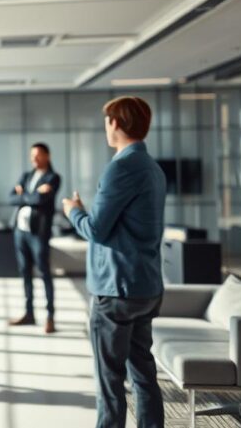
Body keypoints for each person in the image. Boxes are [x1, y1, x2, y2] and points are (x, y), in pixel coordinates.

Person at [62, 96, 165, 428]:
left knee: (110, 381)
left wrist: (72, 211)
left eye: (107, 121)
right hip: (146, 286)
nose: (105, 127)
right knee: (144, 376)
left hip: (117, 289)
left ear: (116, 123)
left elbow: (95, 229)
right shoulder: (153, 167)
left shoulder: (120, 167)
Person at [8, 142, 62, 332]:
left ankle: (50, 316)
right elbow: (11, 198)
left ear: (47, 156)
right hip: (20, 232)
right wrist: (31, 195)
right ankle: (29, 313)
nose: (34, 159)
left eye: (38, 155)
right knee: (25, 273)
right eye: (32, 155)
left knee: (44, 273)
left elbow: (41, 200)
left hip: (38, 234)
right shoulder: (26, 175)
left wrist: (24, 195)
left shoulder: (53, 178)